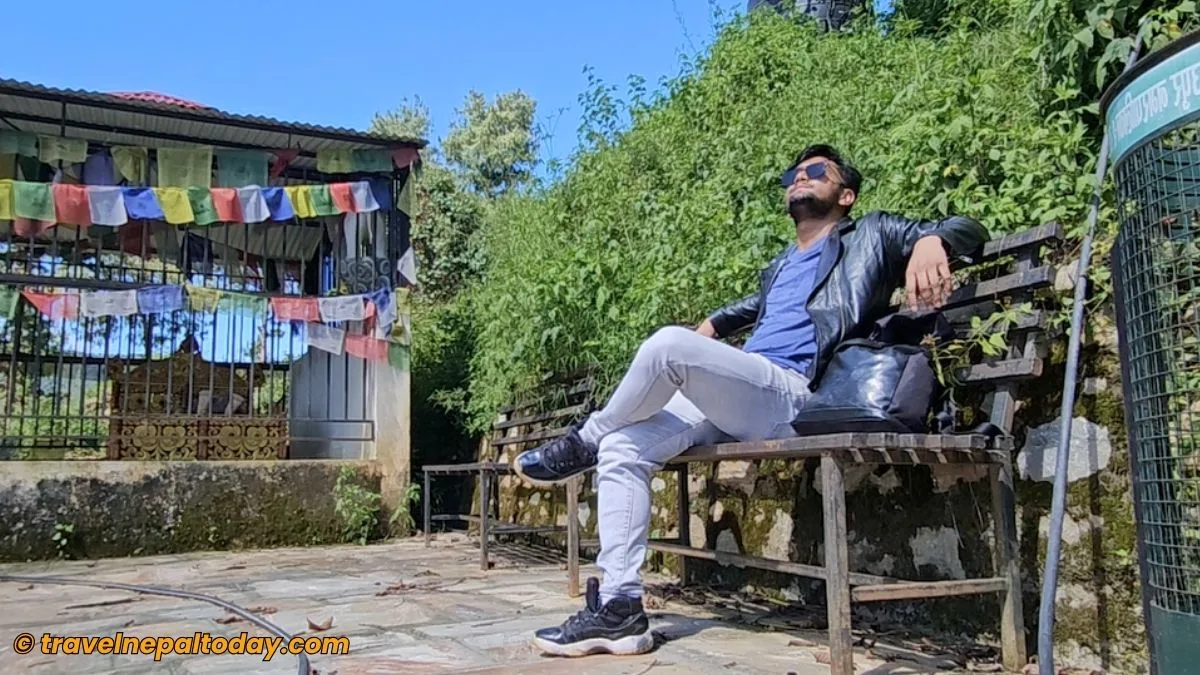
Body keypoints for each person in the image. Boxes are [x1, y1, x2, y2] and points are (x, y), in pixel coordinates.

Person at [512, 144, 990, 657]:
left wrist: (932, 240)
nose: (799, 178)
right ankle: (620, 608)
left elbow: (969, 230)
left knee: (668, 345)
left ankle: (584, 438)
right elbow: (757, 308)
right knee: (624, 449)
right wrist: (716, 324)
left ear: (846, 195)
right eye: (793, 173)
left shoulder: (872, 233)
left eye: (815, 172)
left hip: (792, 393)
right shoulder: (783, 264)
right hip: (744, 395)